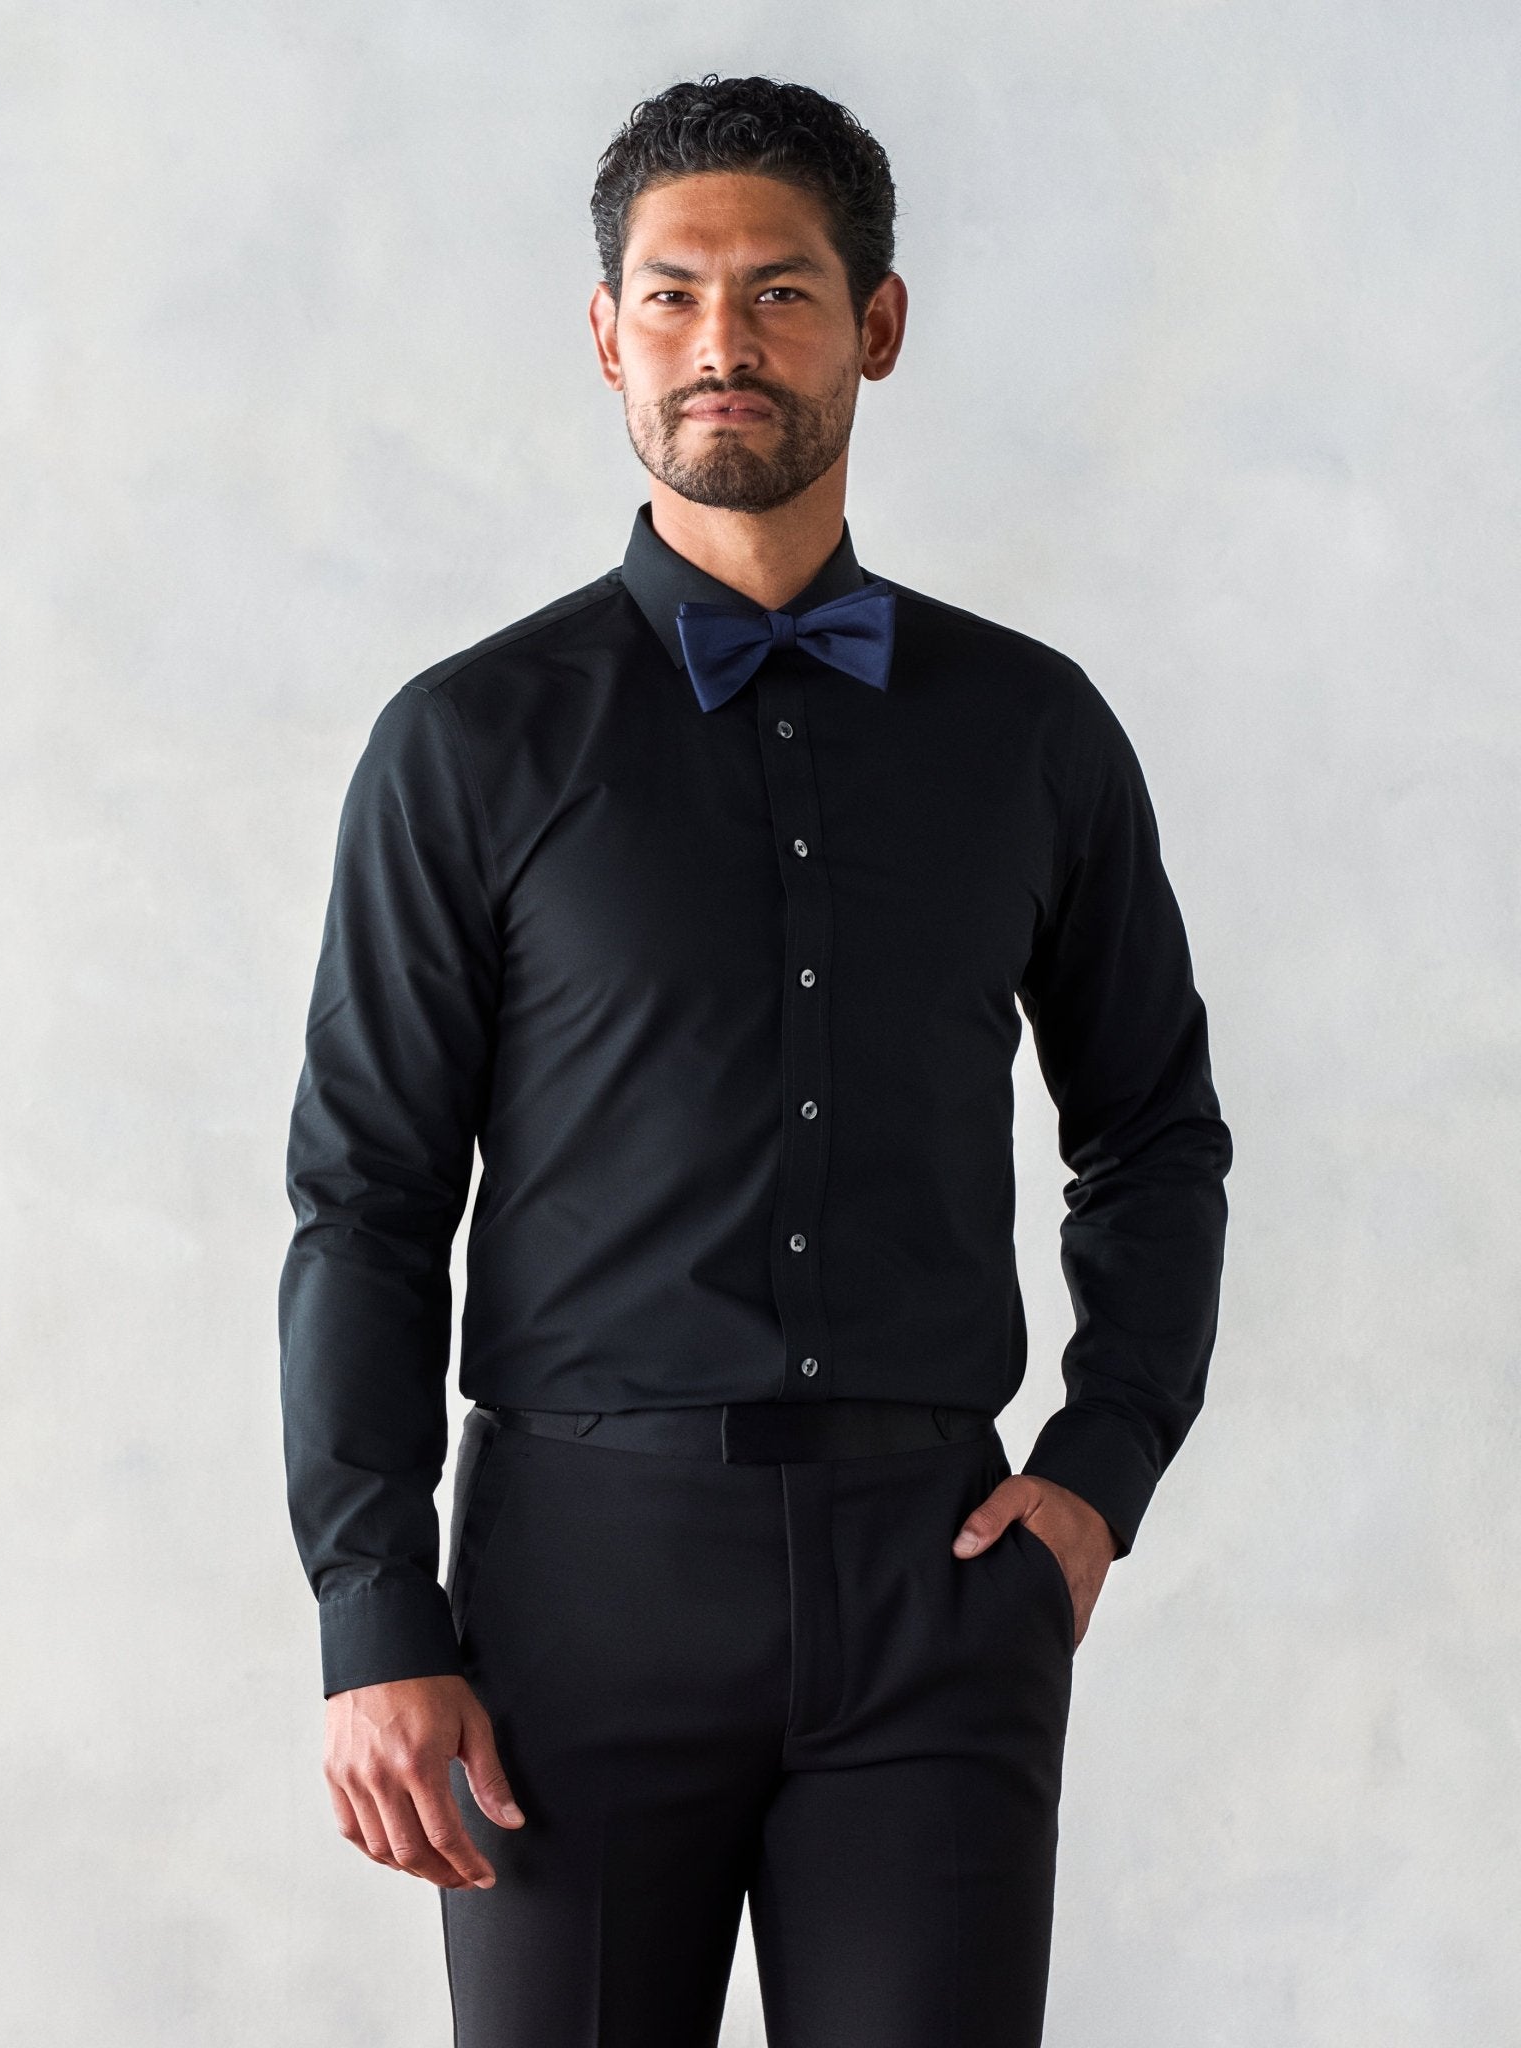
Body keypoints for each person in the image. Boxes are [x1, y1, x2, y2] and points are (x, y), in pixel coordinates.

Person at [278, 71, 1233, 2048]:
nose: (726, 341)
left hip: (934, 1590)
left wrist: (1100, 1469)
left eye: (783, 293)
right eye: (675, 293)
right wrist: (376, 1614)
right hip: (571, 1597)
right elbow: (366, 1197)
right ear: (607, 332)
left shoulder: (1031, 732)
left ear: (877, 326)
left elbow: (1151, 1133)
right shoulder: (466, 746)